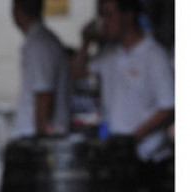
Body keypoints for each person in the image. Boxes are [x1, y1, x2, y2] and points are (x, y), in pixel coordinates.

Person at [72, 0, 174, 161]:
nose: (104, 22)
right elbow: (77, 73)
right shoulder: (108, 55)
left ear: (128, 16)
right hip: (117, 154)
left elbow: (168, 106)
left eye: (109, 15)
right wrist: (86, 41)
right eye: (102, 16)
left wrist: (133, 138)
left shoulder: (154, 56)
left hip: (150, 157)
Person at [11, 0, 71, 138]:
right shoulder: (38, 41)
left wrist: (40, 140)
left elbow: (44, 95)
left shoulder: (39, 44)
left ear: (16, 9)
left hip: (34, 136)